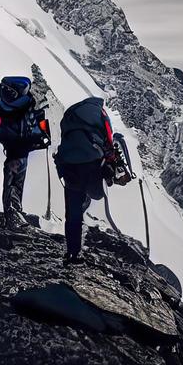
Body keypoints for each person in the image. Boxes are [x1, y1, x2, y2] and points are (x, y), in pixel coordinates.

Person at [55, 96, 118, 262]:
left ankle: (72, 252)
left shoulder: (72, 113)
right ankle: (94, 246)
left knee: (72, 209)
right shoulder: (100, 113)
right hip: (91, 163)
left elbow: (63, 134)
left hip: (68, 164)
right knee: (96, 197)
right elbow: (109, 138)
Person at [0, 75, 50, 228]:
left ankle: (13, 213)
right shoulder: (28, 107)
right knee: (15, 181)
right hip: (20, 151)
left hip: (15, 150)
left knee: (12, 181)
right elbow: (39, 135)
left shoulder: (4, 108)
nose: (4, 93)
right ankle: (13, 214)